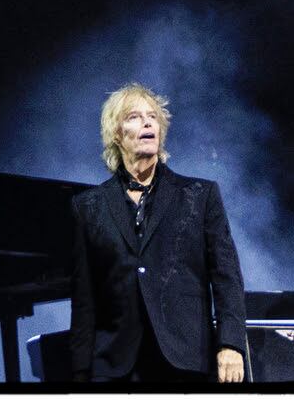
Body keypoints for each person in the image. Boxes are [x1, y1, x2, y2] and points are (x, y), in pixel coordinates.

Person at [67, 84, 248, 385]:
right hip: (116, 367)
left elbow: (227, 277)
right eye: (135, 117)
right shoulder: (88, 207)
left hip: (186, 360)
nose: (148, 123)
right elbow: (84, 300)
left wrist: (231, 343)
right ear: (116, 133)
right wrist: (80, 373)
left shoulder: (199, 195)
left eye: (153, 117)